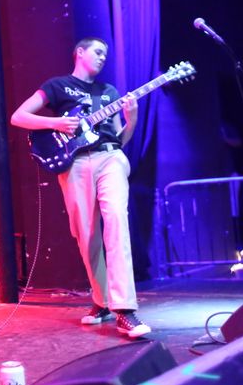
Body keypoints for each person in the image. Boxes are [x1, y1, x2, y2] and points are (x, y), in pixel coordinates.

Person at [10, 37, 150, 339]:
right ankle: (101, 302)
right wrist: (55, 124)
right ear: (80, 53)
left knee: (116, 222)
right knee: (86, 235)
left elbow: (120, 139)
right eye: (98, 52)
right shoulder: (57, 86)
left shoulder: (109, 92)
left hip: (110, 158)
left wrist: (132, 120)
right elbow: (18, 117)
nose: (103, 58)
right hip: (75, 165)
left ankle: (125, 309)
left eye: (106, 54)